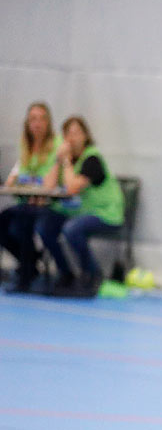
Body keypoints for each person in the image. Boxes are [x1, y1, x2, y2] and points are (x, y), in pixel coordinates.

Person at [34, 116, 125, 297]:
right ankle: (65, 273)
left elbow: (72, 189)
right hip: (76, 212)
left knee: (72, 229)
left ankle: (91, 274)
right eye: (68, 133)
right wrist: (58, 161)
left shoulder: (92, 159)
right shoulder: (64, 160)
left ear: (85, 136)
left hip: (105, 213)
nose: (72, 137)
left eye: (77, 133)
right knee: (44, 226)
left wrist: (66, 161)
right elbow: (47, 187)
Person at [1, 102, 59, 293]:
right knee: (4, 222)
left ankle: (26, 277)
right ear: (27, 122)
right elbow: (13, 180)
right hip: (27, 202)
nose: (37, 123)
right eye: (33, 119)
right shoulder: (26, 146)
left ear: (48, 122)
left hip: (51, 204)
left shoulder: (56, 145)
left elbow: (50, 182)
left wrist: (30, 184)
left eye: (42, 118)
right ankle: (32, 261)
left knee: (22, 222)